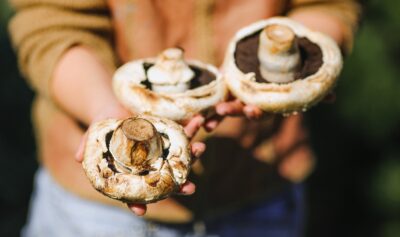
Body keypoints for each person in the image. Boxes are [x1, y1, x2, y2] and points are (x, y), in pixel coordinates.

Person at [9, 0, 360, 236]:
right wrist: (105, 110)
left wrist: (299, 72)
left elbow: (326, 5)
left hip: (261, 188)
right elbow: (52, 23)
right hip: (94, 216)